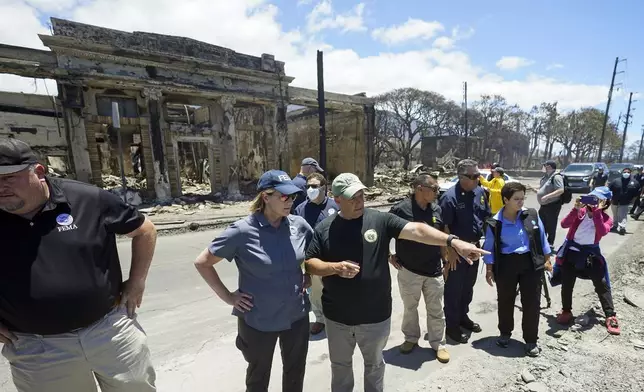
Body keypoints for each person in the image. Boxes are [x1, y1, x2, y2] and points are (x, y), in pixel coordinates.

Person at [305, 173, 487, 392]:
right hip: (337, 319)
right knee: (341, 367)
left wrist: (453, 242)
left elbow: (418, 230)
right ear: (337, 199)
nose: (359, 201)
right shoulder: (325, 227)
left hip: (375, 317)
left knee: (374, 367)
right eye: (352, 197)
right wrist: (334, 268)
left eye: (361, 195)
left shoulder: (380, 220)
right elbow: (310, 263)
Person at [0, 138, 158, 392]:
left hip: (109, 332)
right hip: (38, 350)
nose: (1, 187)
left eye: (8, 178)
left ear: (38, 172)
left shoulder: (88, 199)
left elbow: (145, 231)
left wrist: (137, 281)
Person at [194, 170, 312, 392]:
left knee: (295, 373)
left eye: (293, 197)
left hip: (296, 315)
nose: (290, 202)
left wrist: (310, 274)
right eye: (284, 197)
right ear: (266, 197)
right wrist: (229, 297)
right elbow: (203, 262)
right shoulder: (242, 231)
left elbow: (316, 253)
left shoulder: (299, 226)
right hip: (259, 320)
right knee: (258, 378)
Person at [483, 182, 552, 357]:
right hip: (506, 264)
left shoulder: (531, 215)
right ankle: (505, 333)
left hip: (530, 263)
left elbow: (542, 238)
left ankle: (530, 340)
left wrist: (547, 259)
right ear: (505, 200)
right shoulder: (495, 222)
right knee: (505, 300)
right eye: (516, 199)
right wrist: (489, 269)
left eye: (523, 198)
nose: (521, 202)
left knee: (531, 302)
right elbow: (489, 247)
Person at [388, 173, 449, 363]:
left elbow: (442, 236)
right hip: (409, 270)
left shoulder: (437, 210)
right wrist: (388, 255)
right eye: (434, 189)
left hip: (434, 270)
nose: (437, 192)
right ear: (419, 189)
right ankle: (410, 338)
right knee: (410, 308)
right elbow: (384, 231)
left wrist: (446, 259)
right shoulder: (400, 209)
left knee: (436, 310)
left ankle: (438, 343)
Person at [551, 187, 620, 335]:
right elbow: (564, 224)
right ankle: (566, 311)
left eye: (599, 199)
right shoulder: (580, 212)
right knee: (567, 283)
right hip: (571, 253)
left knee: (601, 284)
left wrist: (597, 212)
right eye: (593, 198)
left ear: (606, 202)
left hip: (591, 255)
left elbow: (602, 231)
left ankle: (610, 315)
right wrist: (575, 210)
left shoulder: (606, 218)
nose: (594, 202)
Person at [440, 159, 491, 344]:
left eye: (478, 175)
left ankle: (463, 317)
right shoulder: (449, 197)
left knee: (467, 287)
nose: (478, 179)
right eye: (474, 176)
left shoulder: (479, 192)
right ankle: (452, 326)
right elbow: (443, 226)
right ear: (461, 177)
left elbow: (485, 217)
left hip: (474, 248)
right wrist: (449, 252)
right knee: (453, 290)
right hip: (457, 251)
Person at [294, 172, 338, 335]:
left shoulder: (334, 206)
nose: (310, 189)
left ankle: (337, 319)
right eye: (308, 186)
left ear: (324, 188)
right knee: (316, 293)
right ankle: (320, 319)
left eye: (314, 186)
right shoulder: (300, 209)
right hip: (312, 258)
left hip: (333, 256)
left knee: (336, 290)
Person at [537, 160, 565, 250]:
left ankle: (550, 243)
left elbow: (560, 190)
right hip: (544, 205)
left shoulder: (556, 177)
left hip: (552, 205)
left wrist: (547, 196)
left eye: (544, 166)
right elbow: (543, 189)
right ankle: (542, 242)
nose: (543, 167)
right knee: (542, 224)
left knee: (551, 224)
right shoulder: (546, 176)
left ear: (549, 167)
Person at [608, 167, 641, 235]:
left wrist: (632, 201)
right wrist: (609, 199)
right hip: (614, 201)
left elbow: (636, 194)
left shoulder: (635, 182)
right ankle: (615, 226)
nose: (626, 173)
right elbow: (609, 190)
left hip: (625, 202)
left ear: (630, 173)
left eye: (628, 172)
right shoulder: (615, 181)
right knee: (615, 215)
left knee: (622, 215)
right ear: (622, 173)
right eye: (625, 172)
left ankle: (622, 227)